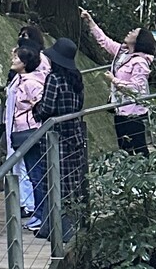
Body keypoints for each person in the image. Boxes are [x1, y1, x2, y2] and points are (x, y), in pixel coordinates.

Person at [33, 37, 88, 243]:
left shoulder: (54, 79)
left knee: (54, 182)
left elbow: (46, 108)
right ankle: (49, 226)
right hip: (73, 135)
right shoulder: (76, 78)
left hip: (56, 137)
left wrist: (35, 110)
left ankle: (64, 232)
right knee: (69, 183)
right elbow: (80, 104)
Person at [80, 7, 155, 155]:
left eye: (134, 32)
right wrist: (90, 22)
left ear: (139, 40)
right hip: (120, 108)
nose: (130, 32)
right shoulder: (123, 53)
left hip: (134, 112)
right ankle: (128, 176)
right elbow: (105, 42)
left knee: (138, 148)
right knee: (124, 148)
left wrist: (114, 80)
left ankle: (144, 175)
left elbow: (136, 89)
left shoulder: (140, 62)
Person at [6, 43, 49, 235]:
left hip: (31, 132)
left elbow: (40, 107)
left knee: (36, 175)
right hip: (21, 132)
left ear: (24, 63)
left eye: (16, 58)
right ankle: (39, 213)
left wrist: (35, 126)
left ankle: (41, 214)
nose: (12, 61)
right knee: (33, 175)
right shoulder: (19, 80)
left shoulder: (31, 83)